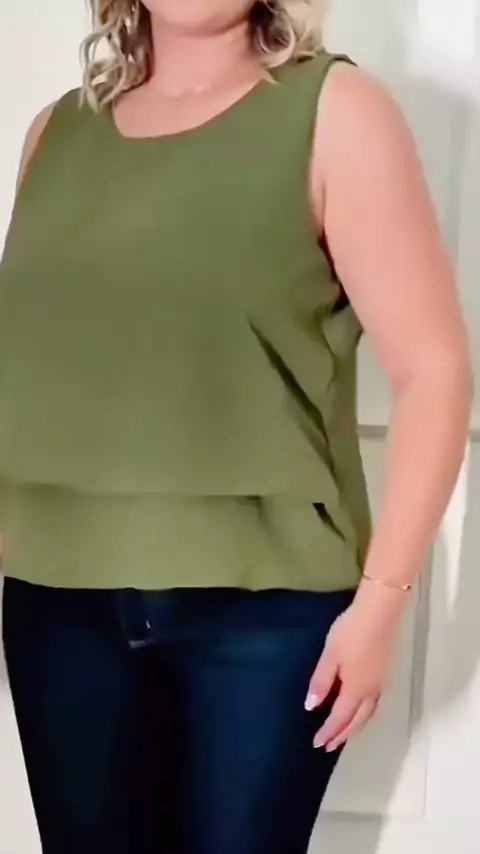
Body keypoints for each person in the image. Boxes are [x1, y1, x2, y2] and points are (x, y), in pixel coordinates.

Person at [0, 1, 472, 852]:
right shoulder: (54, 133)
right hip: (57, 605)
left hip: (263, 620)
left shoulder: (335, 114)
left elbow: (433, 371)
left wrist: (381, 603)